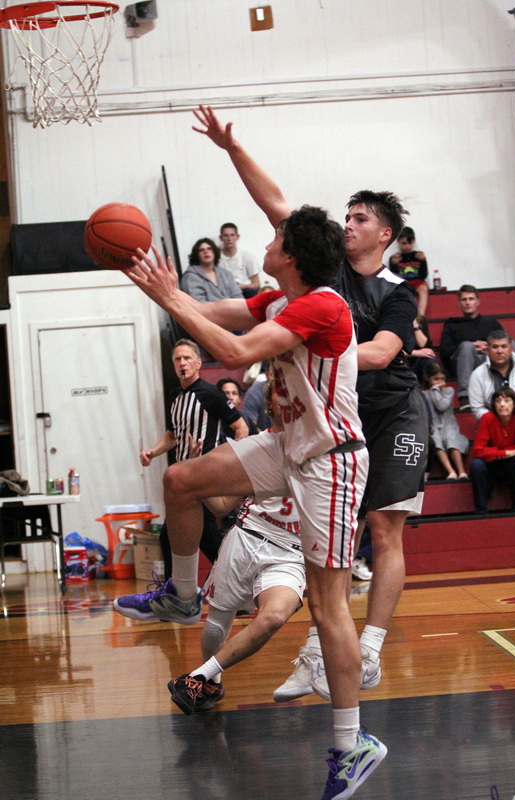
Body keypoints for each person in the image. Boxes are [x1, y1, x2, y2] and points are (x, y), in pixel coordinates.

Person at [119, 200, 386, 798]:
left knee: (328, 607)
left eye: (275, 238)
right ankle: (182, 595)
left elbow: (237, 352)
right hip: (287, 444)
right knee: (180, 480)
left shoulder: (321, 305)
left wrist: (170, 298)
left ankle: (353, 744)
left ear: (291, 257)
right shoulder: (280, 298)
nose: (266, 243)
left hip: (330, 461)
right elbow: (213, 312)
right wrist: (158, 289)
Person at [188, 106, 428, 710]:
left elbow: (383, 352)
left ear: (386, 235)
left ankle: (368, 648)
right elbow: (275, 203)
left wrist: (310, 343)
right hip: (338, 413)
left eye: (360, 218)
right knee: (333, 551)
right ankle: (323, 651)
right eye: (346, 215)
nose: (348, 224)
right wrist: (231, 149)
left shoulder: (397, 292)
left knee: (383, 528)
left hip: (393, 411)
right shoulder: (323, 268)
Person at [168, 381, 306, 714]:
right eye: (280, 391)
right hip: (247, 537)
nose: (287, 397)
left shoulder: (322, 447)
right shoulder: (253, 448)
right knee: (217, 623)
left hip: (291, 552)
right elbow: (220, 506)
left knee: (273, 617)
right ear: (270, 403)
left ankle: (199, 677)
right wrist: (198, 478)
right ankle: (211, 683)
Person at [113, 339, 248, 596]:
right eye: (178, 359)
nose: (182, 363)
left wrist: (227, 463)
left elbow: (241, 428)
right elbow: (172, 435)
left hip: (205, 477)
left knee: (182, 535)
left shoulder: (211, 394)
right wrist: (152, 452)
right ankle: (227, 588)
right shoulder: (175, 397)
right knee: (185, 536)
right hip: (184, 479)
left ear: (198, 363)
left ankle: (184, 593)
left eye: (187, 358)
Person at [439, 285, 503, 410]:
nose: (467, 303)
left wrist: (490, 348)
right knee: (467, 346)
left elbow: (505, 344)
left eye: (471, 299)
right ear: (459, 303)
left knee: (510, 344)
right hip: (461, 364)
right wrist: (471, 345)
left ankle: (513, 389)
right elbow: (444, 353)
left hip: (487, 360)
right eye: (464, 299)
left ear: (477, 302)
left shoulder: (491, 323)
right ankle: (465, 397)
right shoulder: (452, 324)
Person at [470, 387, 515, 514]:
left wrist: (495, 452)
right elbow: (478, 451)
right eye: (498, 401)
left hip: (510, 465)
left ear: (514, 403)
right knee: (476, 464)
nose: (502, 404)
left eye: (507, 400)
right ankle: (481, 510)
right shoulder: (487, 418)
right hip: (491, 464)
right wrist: (509, 452)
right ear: (494, 405)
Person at [468, 330, 515, 428]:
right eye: (495, 347)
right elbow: (477, 408)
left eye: (504, 346)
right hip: (493, 427)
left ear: (511, 349)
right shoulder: (477, 375)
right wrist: (495, 424)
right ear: (487, 350)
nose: (499, 351)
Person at [423, 361, 469, 480]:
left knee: (450, 438)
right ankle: (451, 471)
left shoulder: (449, 391)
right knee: (436, 440)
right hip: (434, 426)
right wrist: (434, 390)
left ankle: (461, 471)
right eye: (436, 379)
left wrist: (435, 390)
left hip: (448, 425)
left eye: (442, 379)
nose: (439, 382)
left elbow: (441, 406)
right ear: (428, 378)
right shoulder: (424, 394)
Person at [180, 237, 243, 302]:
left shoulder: (226, 274)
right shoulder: (190, 277)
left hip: (232, 308)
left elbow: (238, 297)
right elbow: (198, 303)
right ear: (196, 255)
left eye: (209, 249)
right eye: (201, 250)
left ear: (214, 252)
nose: (206, 252)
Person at [388, 226, 429, 316]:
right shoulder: (395, 258)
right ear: (398, 242)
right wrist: (394, 264)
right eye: (404, 243)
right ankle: (410, 316)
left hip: (417, 282)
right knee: (403, 293)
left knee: (424, 289)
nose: (407, 246)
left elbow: (424, 275)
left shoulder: (418, 256)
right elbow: (392, 277)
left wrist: (423, 261)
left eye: (409, 243)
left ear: (413, 241)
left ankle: (420, 316)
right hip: (403, 283)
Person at [219, 222, 261, 297]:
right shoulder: (215, 257)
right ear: (221, 238)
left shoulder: (247, 256)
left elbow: (257, 284)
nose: (229, 239)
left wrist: (242, 286)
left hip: (243, 290)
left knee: (250, 292)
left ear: (237, 237)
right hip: (223, 291)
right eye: (226, 235)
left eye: (232, 235)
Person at [409, 313, 437, 383]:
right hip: (400, 362)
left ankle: (430, 388)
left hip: (416, 363)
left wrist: (415, 324)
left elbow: (423, 345)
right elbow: (393, 352)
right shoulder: (394, 321)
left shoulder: (420, 320)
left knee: (429, 357)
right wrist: (417, 353)